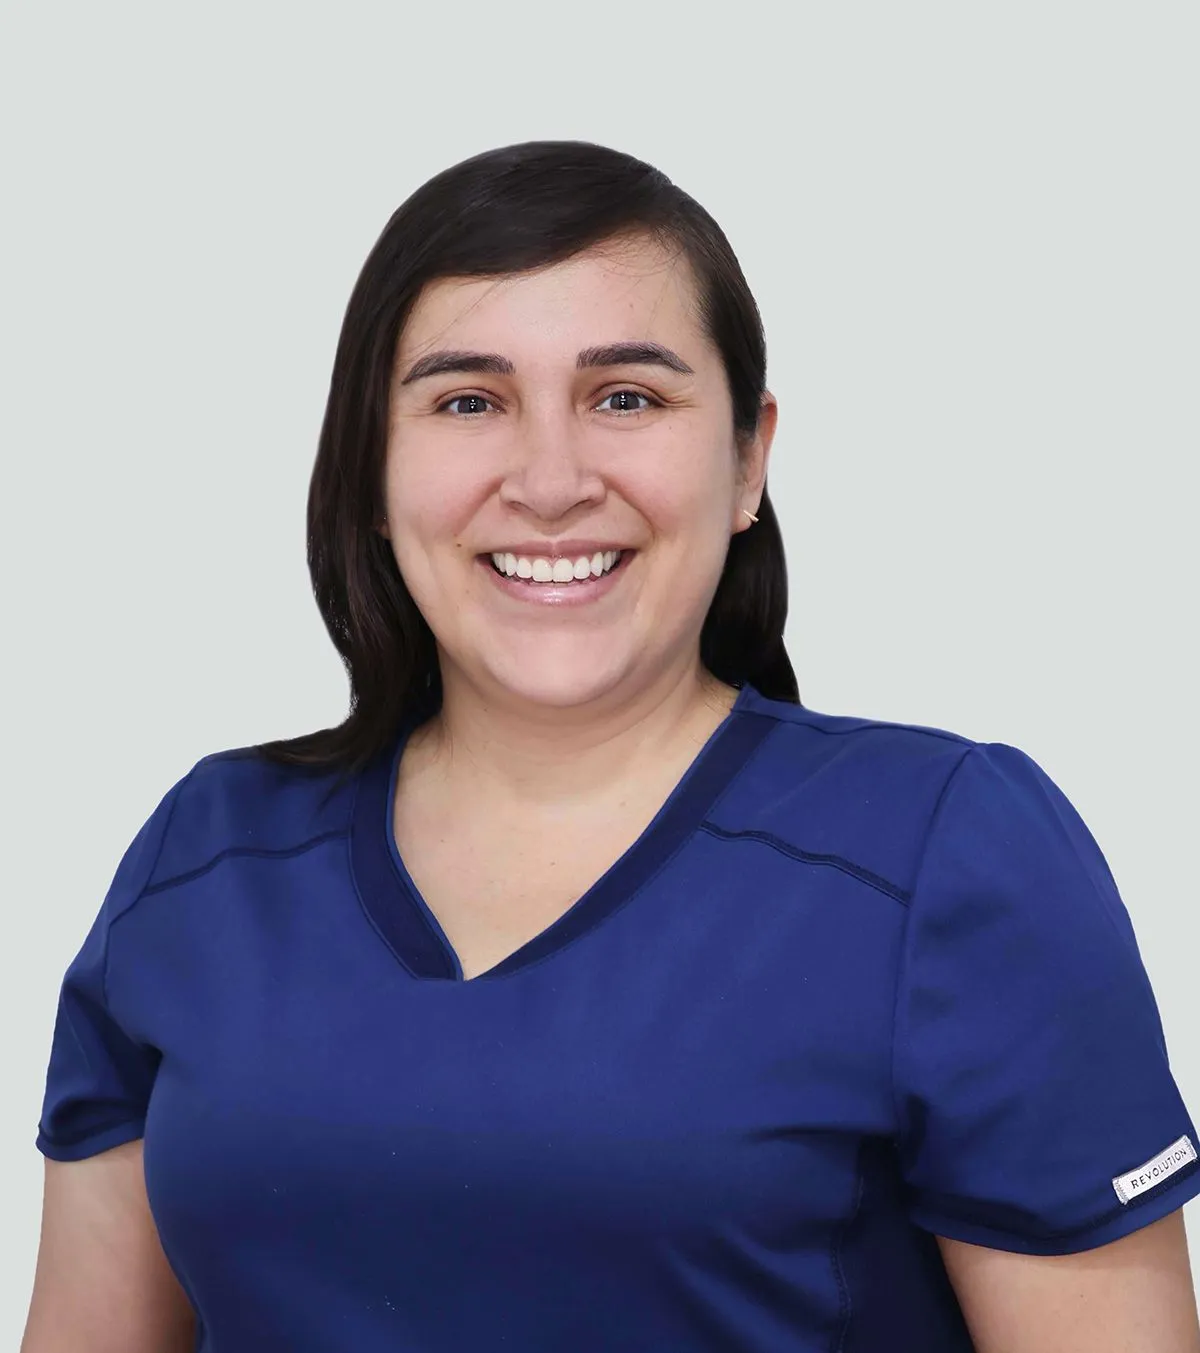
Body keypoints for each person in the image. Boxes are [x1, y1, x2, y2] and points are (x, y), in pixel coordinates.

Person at [22, 140, 1200, 1353]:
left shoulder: (946, 855)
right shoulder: (207, 856)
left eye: (626, 397)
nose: (550, 482)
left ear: (747, 459)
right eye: (468, 402)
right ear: (372, 468)